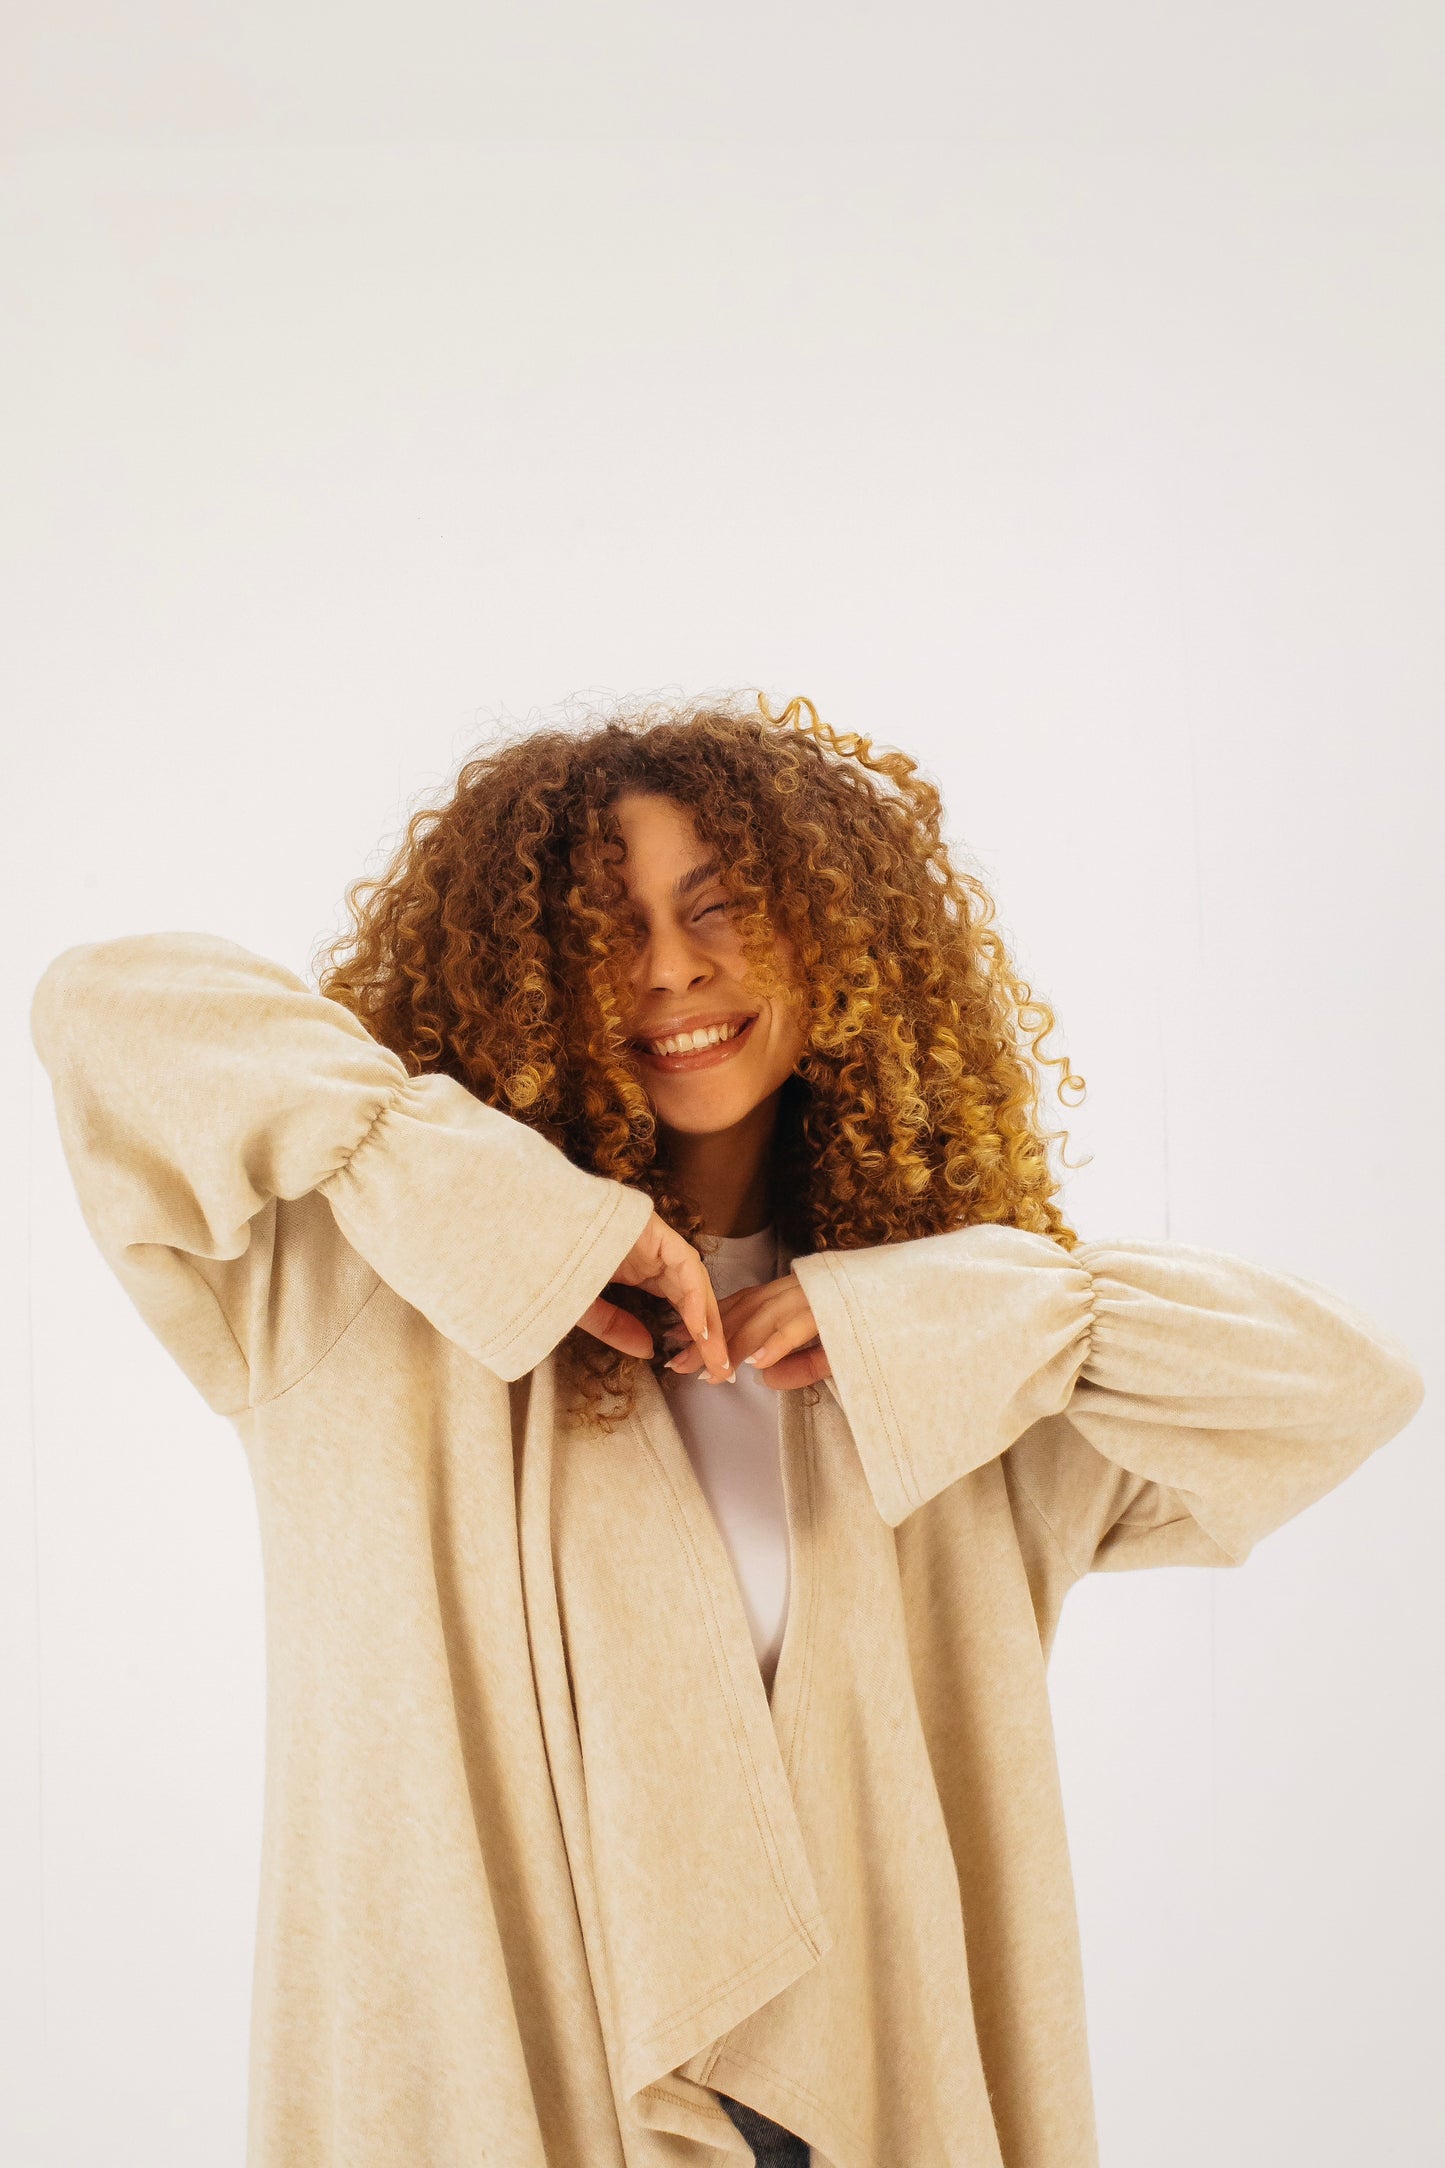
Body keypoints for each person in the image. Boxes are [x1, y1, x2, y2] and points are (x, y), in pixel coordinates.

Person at [30, 690, 1424, 2168]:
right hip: (508, 2101)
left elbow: (1345, 1387)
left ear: (841, 943)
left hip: (858, 2109)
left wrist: (955, 1309)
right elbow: (98, 1006)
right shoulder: (357, 1289)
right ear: (526, 975)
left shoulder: (953, 1378)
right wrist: (531, 1225)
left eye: (722, 909)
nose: (669, 968)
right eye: (601, 929)